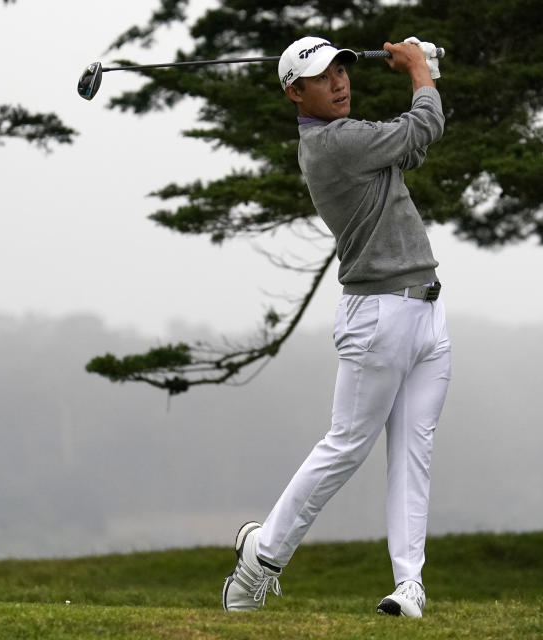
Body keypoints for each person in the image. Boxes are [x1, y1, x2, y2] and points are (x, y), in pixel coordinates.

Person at [222, 35, 450, 618]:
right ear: (296, 93)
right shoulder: (332, 144)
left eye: (342, 71)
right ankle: (259, 563)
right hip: (377, 315)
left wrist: (427, 81)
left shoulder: (354, 140)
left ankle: (409, 586)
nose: (340, 82)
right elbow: (422, 130)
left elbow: (411, 149)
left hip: (426, 309)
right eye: (323, 78)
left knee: (413, 453)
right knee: (346, 446)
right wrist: (420, 71)